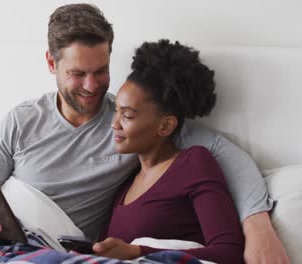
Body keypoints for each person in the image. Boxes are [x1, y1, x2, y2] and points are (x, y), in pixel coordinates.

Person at [0, 3, 289, 263]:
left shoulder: (135, 123)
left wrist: (258, 225)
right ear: (52, 64)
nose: (91, 86)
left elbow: (221, 152)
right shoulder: (20, 121)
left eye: (101, 70)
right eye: (77, 73)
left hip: (53, 249)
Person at [92, 39, 243, 263]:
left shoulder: (194, 163)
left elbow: (228, 253)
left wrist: (137, 252)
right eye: (116, 111)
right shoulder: (125, 182)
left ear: (165, 126)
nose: (115, 124)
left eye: (128, 115)